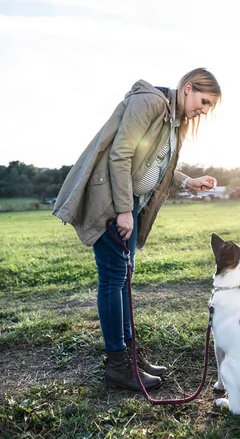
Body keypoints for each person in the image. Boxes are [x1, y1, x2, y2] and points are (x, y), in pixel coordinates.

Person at [53, 68, 222, 391]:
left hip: (129, 204)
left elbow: (158, 165)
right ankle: (118, 364)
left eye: (209, 106)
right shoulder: (150, 103)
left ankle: (130, 355)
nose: (204, 110)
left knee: (123, 279)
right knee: (114, 279)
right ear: (188, 88)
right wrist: (124, 210)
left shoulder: (176, 121)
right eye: (204, 101)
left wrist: (189, 181)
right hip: (111, 202)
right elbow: (120, 155)